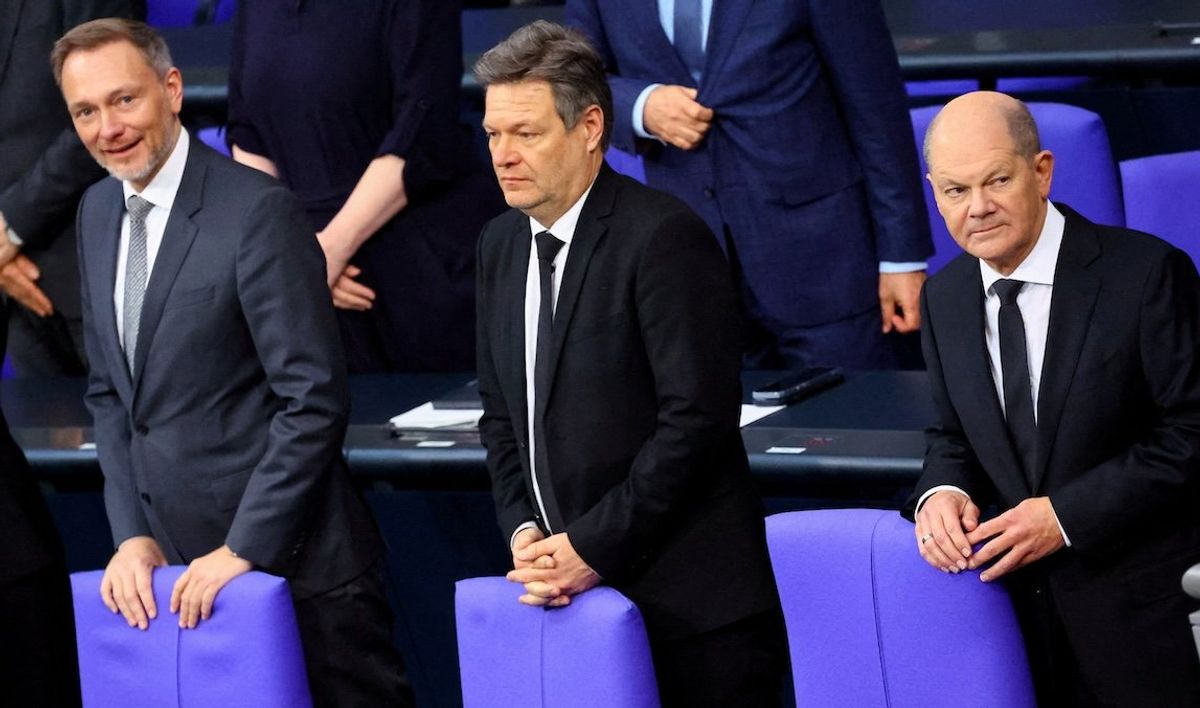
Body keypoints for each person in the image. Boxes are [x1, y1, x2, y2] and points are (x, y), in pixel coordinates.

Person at [54, 19, 412, 706]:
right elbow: (111, 396)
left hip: (303, 578)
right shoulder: (95, 212)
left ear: (173, 89)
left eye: (124, 100)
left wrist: (243, 548)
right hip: (177, 579)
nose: (109, 127)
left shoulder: (258, 212)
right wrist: (131, 535)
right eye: (86, 111)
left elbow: (312, 400)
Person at [473, 21, 786, 706]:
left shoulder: (664, 238)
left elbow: (695, 423)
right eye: (494, 134)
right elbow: (502, 416)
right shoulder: (499, 246)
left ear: (590, 127)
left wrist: (589, 545)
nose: (503, 155)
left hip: (692, 614)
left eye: (526, 134)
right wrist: (525, 530)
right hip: (570, 599)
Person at [907, 91, 1200, 706]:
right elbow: (953, 434)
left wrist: (1066, 516)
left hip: (1144, 622)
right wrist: (942, 492)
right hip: (1015, 631)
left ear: (1041, 171)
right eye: (955, 191)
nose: (978, 208)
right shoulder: (945, 298)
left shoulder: (1146, 276)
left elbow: (1192, 433)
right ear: (934, 192)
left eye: (997, 181)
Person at [565, 0, 932, 370]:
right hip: (693, 269)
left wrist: (902, 257)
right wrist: (639, 106)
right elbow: (577, 79)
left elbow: (876, 109)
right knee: (724, 426)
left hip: (827, 266)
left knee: (858, 420)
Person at [226, 0, 504, 373]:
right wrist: (297, 254)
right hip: (310, 273)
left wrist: (327, 251)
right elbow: (247, 129)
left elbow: (421, 132)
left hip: (416, 260)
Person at [0, 0, 143, 377]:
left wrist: (12, 224)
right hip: (11, 282)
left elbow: (109, 113)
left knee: (133, 428)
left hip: (92, 264)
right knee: (44, 432)